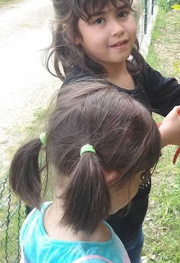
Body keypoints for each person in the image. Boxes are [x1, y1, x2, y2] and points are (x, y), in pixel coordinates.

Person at [45, 0, 180, 261]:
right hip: (94, 237)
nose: (118, 28)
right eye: (99, 20)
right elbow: (100, 167)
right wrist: (160, 137)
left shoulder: (135, 71)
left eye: (122, 13)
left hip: (129, 223)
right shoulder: (82, 96)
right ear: (73, 34)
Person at [9, 81, 162, 262]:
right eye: (141, 175)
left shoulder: (36, 217)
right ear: (111, 178)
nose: (140, 182)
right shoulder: (96, 258)